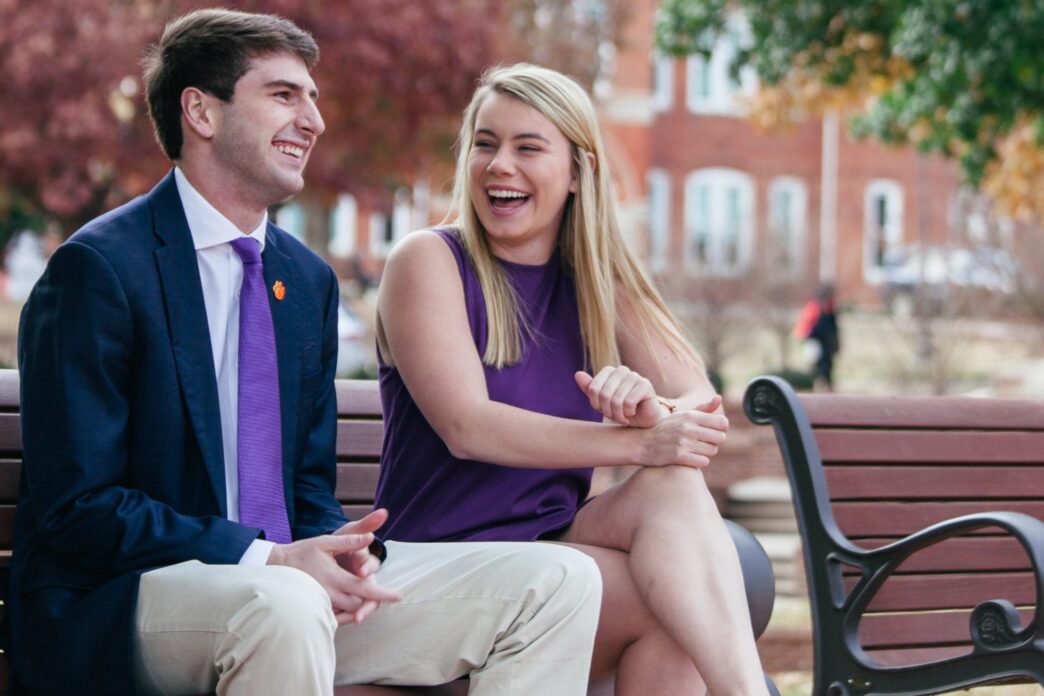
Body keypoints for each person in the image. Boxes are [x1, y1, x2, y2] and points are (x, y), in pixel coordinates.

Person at [10, 12, 602, 695]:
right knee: (285, 605)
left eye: (313, 99)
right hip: (123, 603)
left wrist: (338, 553)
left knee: (557, 580)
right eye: (284, 95)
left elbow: (307, 489)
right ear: (200, 111)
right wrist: (268, 558)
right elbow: (79, 508)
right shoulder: (101, 270)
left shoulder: (306, 282)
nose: (314, 120)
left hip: (277, 592)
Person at [374, 63, 769, 695]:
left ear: (578, 172)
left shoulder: (597, 282)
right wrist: (637, 442)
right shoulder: (428, 260)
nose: (500, 165)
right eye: (485, 143)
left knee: (672, 494)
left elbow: (702, 402)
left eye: (528, 147)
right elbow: (466, 426)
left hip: (548, 549)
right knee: (675, 608)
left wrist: (653, 408)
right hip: (434, 567)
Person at [794, 282, 840, 390]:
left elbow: (833, 328)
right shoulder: (815, 307)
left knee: (826, 368)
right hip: (815, 341)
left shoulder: (830, 308)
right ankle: (814, 388)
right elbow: (811, 327)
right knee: (817, 368)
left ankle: (826, 389)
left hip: (826, 344)